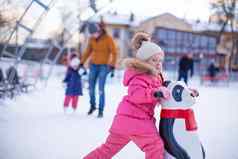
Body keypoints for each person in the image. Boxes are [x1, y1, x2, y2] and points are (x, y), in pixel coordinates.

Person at [83, 32, 170, 159]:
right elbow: (136, 94)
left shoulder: (154, 77)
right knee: (155, 146)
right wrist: (155, 93)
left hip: (124, 122)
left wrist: (185, 91)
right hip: (137, 122)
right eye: (154, 60)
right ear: (144, 62)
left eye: (160, 60)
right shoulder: (139, 76)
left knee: (107, 149)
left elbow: (166, 89)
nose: (158, 63)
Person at [80, 22, 118, 118]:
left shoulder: (108, 39)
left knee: (101, 89)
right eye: (92, 34)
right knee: (91, 88)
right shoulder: (92, 39)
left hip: (104, 66)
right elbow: (88, 51)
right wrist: (82, 62)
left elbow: (114, 52)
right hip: (93, 65)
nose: (94, 35)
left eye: (95, 33)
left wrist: (112, 65)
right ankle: (92, 106)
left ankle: (100, 110)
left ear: (99, 30)